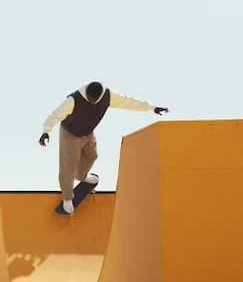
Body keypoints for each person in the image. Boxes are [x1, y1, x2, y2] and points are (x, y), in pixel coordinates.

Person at [38, 81, 168, 213]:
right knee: (68, 165)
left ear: (100, 96)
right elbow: (55, 115)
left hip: (88, 133)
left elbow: (128, 102)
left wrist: (152, 108)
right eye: (90, 99)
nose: (92, 102)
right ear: (86, 94)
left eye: (95, 100)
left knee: (92, 156)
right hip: (70, 134)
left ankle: (81, 177)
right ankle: (67, 198)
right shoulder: (73, 100)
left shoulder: (108, 96)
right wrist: (46, 131)